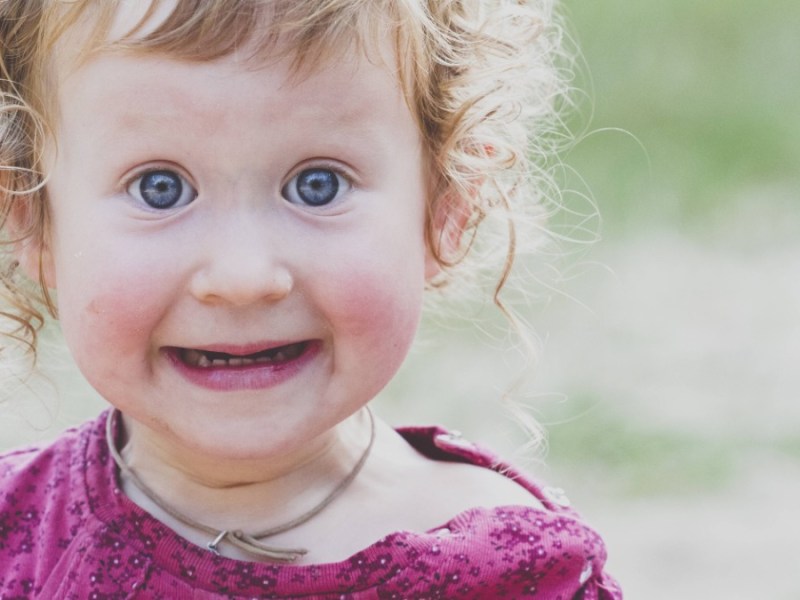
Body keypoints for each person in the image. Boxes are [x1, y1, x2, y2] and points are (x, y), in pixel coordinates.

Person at [0, 0, 622, 597]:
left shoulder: (516, 577)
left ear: (445, 207)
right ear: (32, 220)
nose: (243, 277)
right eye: (159, 188)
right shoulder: (12, 538)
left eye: (317, 185)